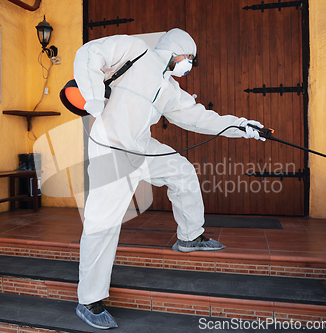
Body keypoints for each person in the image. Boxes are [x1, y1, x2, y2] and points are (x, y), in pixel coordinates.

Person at [72, 28, 265, 329]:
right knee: (102, 225)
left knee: (182, 172)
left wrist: (241, 126)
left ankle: (190, 237)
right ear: (179, 51)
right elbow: (88, 53)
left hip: (141, 147)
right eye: (190, 59)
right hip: (110, 148)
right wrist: (94, 99)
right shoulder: (134, 50)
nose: (189, 65)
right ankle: (89, 300)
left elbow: (199, 117)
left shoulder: (169, 88)